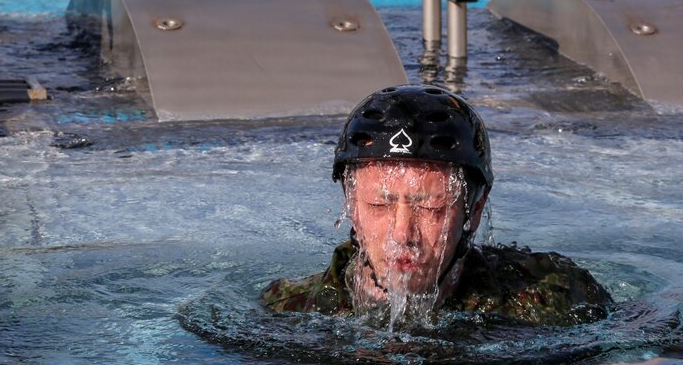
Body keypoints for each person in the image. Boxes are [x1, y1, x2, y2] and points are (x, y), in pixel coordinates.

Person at [261, 84, 612, 326]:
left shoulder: (554, 295)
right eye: (379, 206)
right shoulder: (288, 310)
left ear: (473, 211)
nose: (402, 235)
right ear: (351, 204)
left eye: (431, 208)